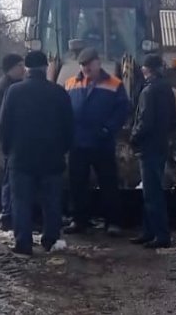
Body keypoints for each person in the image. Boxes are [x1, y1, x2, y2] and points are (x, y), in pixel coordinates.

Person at [0, 51, 74, 256]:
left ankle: (23, 243)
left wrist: (8, 152)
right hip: (51, 158)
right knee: (51, 201)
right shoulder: (59, 93)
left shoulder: (13, 91)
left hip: (20, 158)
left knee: (21, 201)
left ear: (27, 68)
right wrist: (62, 150)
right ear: (45, 67)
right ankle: (50, 239)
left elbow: (3, 126)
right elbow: (69, 128)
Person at [64, 47, 129, 236]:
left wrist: (108, 128)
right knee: (77, 184)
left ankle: (113, 222)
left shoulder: (114, 84)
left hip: (102, 143)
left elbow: (122, 109)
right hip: (78, 143)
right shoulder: (70, 84)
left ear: (98, 63)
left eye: (88, 64)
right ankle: (79, 220)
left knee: (108, 183)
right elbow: (65, 110)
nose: (85, 68)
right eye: (82, 65)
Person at [129, 54, 176, 249]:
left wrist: (134, 136)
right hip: (161, 145)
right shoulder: (167, 89)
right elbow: (173, 121)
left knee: (152, 193)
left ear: (147, 69)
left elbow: (144, 121)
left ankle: (161, 235)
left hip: (148, 147)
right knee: (152, 190)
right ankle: (148, 232)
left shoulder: (149, 91)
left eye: (144, 67)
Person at [0, 53, 25, 231]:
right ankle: (7, 214)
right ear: (11, 68)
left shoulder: (13, 85)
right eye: (20, 65)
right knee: (9, 179)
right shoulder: (3, 87)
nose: (23, 69)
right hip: (10, 141)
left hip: (14, 140)